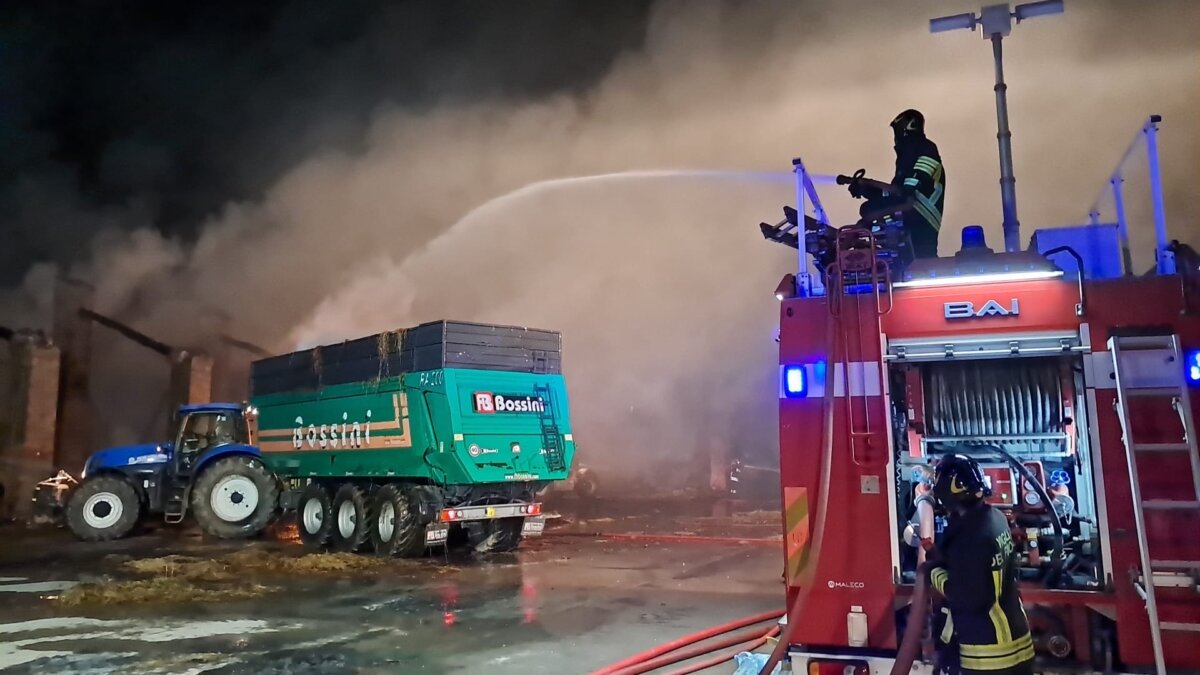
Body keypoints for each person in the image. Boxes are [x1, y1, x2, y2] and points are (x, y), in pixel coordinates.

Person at [924, 453, 1034, 675]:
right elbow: (981, 566)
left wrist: (933, 570)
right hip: (1019, 643)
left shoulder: (968, 537)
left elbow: (962, 593)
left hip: (989, 655)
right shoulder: (996, 518)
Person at [845, 109, 946, 258]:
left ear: (907, 128)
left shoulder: (926, 149)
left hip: (921, 218)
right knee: (869, 215)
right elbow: (892, 193)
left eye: (897, 130)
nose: (895, 136)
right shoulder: (908, 155)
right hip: (911, 215)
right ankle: (852, 245)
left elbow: (905, 193)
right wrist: (866, 189)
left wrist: (869, 183)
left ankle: (854, 241)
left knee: (868, 210)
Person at [903, 465, 939, 567]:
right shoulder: (913, 500)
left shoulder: (937, 504)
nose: (927, 485)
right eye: (925, 481)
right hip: (915, 554)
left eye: (931, 482)